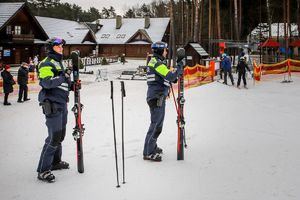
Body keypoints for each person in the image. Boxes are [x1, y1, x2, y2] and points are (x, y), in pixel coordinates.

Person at [36, 37, 72, 183]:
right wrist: (63, 77)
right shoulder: (46, 63)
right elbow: (46, 83)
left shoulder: (59, 63)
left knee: (60, 136)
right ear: (51, 48)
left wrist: (71, 83)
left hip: (62, 103)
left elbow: (62, 83)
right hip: (52, 104)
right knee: (53, 137)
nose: (61, 48)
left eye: (62, 46)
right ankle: (43, 170)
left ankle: (55, 162)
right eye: (58, 46)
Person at [143, 41, 185, 162]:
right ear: (160, 51)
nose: (166, 52)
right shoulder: (156, 63)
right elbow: (169, 76)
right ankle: (148, 152)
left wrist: (173, 76)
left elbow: (166, 77)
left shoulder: (158, 62)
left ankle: (152, 147)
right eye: (165, 50)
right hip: (156, 98)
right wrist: (179, 66)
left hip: (158, 97)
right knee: (155, 125)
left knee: (157, 125)